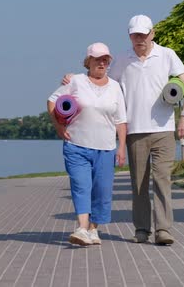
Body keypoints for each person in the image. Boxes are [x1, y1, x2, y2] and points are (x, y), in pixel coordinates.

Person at [64, 15, 184, 245]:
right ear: (130, 36)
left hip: (163, 130)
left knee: (162, 179)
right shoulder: (123, 60)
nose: (140, 39)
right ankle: (142, 229)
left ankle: (163, 230)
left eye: (144, 34)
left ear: (152, 33)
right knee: (139, 184)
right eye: (135, 35)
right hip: (135, 131)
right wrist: (73, 79)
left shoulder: (167, 55)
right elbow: (103, 82)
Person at [48, 42, 127, 246]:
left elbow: (121, 120)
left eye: (105, 60)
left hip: (106, 148)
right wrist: (58, 127)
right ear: (88, 61)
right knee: (81, 186)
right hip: (76, 145)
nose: (101, 63)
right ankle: (82, 228)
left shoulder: (115, 87)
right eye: (97, 59)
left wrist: (121, 147)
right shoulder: (76, 81)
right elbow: (52, 100)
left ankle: (93, 230)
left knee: (101, 191)